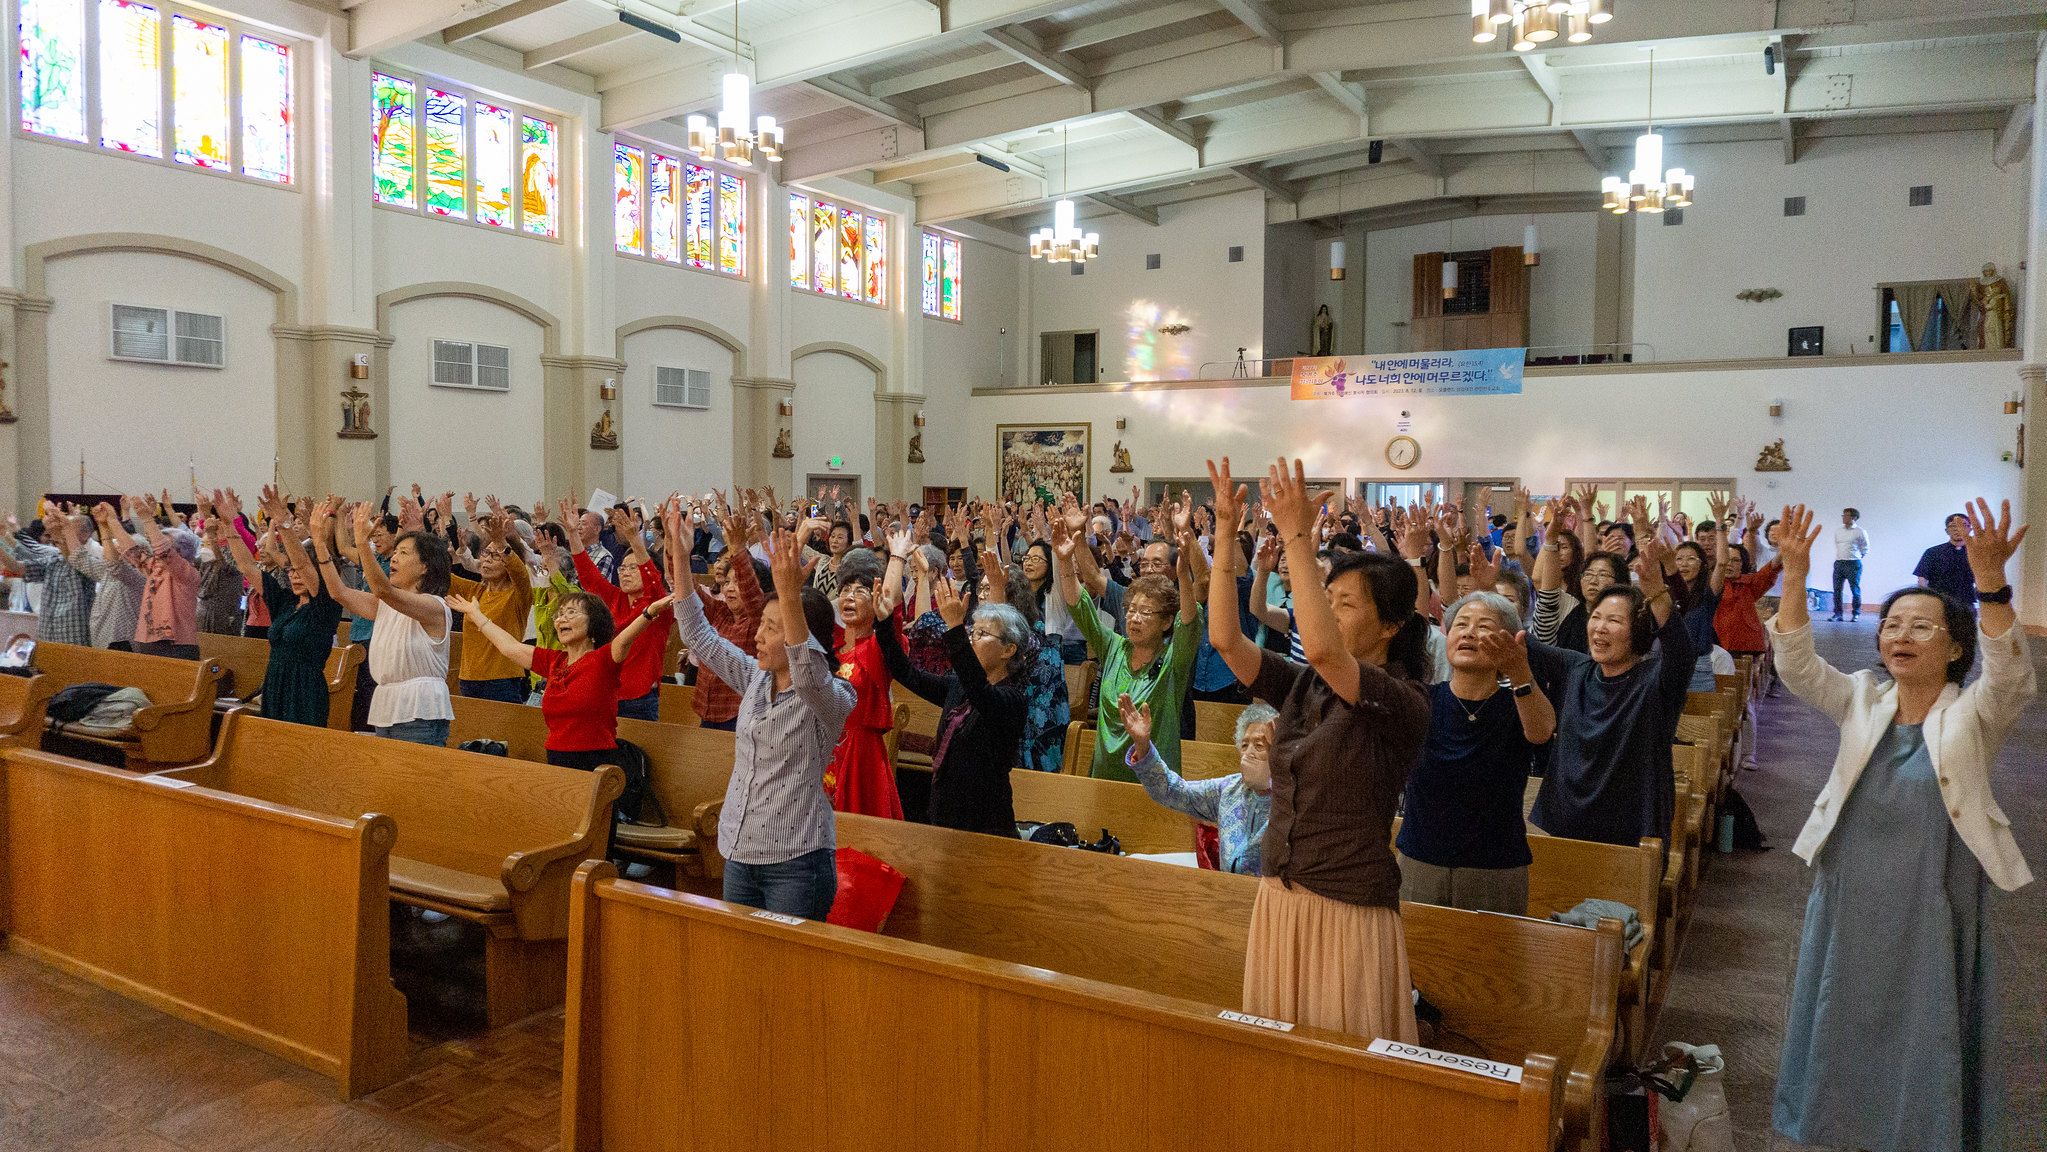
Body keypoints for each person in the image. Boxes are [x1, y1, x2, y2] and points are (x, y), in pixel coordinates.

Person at [1768, 500, 2032, 1152]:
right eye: (1890, 625)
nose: (1900, 636)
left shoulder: (1971, 715)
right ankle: (1839, 1122)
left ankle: (1922, 1129)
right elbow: (1797, 666)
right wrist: (1795, 577)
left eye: (1919, 626)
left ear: (1953, 646)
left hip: (1933, 899)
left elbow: (2011, 679)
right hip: (1851, 891)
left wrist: (1992, 587)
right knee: (1841, 1009)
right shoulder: (1861, 697)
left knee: (1926, 1018)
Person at [1204, 457, 1429, 1043]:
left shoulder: (1403, 699)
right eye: (1322, 599)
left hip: (1346, 908)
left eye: (1344, 602)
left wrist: (1300, 537)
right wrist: (1226, 532)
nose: (1324, 612)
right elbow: (1226, 639)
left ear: (1391, 627)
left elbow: (1329, 654)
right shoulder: (1304, 684)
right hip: (1279, 897)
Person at [664, 506, 854, 922]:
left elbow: (806, 671)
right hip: (739, 850)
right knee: (739, 967)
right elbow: (697, 633)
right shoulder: (754, 677)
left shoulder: (831, 696)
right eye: (761, 625)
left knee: (789, 975)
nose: (759, 636)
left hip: (796, 860)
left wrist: (788, 593)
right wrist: (680, 558)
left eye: (772, 627)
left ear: (808, 638)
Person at [1527, 497, 1695, 853]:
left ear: (1638, 629)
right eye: (1597, 618)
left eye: (1614, 620)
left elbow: (1681, 652)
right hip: (1564, 824)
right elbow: (1527, 639)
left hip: (1631, 835)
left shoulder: (1655, 680)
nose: (1600, 628)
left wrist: (1658, 594)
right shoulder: (1577, 667)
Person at [1395, 591, 1556, 915]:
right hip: (1419, 860)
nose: (1469, 632)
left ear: (1509, 642)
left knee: (1491, 964)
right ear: (1447, 634)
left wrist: (1520, 673)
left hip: (1495, 870)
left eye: (1484, 626)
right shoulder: (1420, 700)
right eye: (1461, 625)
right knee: (1416, 962)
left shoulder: (1519, 705)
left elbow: (1541, 731)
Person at [874, 537, 1029, 837]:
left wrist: (956, 630)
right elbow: (907, 674)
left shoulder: (1011, 700)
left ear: (1009, 650)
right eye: (973, 632)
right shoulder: (959, 687)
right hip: (944, 813)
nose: (972, 639)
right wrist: (882, 625)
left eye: (981, 634)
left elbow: (981, 693)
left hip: (985, 825)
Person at [446, 581, 674, 771]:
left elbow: (625, 638)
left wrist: (649, 612)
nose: (561, 619)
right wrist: (476, 615)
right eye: (560, 614)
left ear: (593, 622)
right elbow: (510, 647)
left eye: (571, 613)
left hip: (595, 761)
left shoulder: (604, 659)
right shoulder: (554, 661)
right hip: (555, 756)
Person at [1053, 498, 1201, 783]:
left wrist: (1183, 573)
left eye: (1145, 612)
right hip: (1104, 779)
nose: (1134, 618)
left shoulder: (1173, 659)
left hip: (1155, 785)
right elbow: (1080, 607)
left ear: (1166, 621)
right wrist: (1063, 562)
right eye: (1131, 610)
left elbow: (1191, 622)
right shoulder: (1114, 648)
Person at [313, 502, 455, 746]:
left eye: (404, 553)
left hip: (420, 710)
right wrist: (319, 545)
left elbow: (382, 589)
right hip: (387, 704)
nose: (394, 559)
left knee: (414, 782)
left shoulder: (435, 606)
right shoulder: (387, 604)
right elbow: (338, 592)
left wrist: (361, 544)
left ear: (425, 567)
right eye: (395, 552)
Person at [209, 488, 343, 728]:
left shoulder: (326, 605)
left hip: (304, 690)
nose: (294, 575)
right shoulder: (286, 602)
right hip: (274, 684)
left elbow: (302, 562)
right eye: (289, 570)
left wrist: (282, 523)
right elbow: (247, 566)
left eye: (299, 571)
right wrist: (230, 524)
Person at [1121, 694, 1276, 877]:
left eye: (1258, 746)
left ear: (1280, 752)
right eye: (1244, 745)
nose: (1247, 754)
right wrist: (1142, 745)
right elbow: (1173, 791)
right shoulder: (1228, 789)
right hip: (1225, 893)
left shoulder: (1296, 798)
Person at [558, 496, 670, 721]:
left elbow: (652, 576)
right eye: (623, 568)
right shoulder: (614, 598)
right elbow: (588, 575)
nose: (625, 572)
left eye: (632, 568)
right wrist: (572, 535)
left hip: (640, 699)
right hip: (605, 691)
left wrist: (632, 538)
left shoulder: (658, 603)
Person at [821, 548, 904, 819]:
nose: (849, 597)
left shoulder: (879, 647)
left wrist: (897, 559)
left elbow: (893, 613)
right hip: (823, 748)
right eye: (845, 589)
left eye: (860, 591)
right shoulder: (830, 643)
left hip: (861, 757)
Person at [686, 493, 768, 732]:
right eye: (727, 582)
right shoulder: (719, 611)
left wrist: (737, 548)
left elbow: (752, 594)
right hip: (707, 709)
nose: (730, 588)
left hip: (741, 712)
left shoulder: (759, 618)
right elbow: (686, 591)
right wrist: (678, 554)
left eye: (737, 582)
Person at [447, 496, 533, 703]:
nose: (485, 560)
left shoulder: (519, 594)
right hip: (468, 679)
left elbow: (520, 574)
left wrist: (502, 542)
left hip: (502, 680)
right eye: (486, 553)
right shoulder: (476, 591)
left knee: (502, 736)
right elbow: (440, 574)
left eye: (495, 556)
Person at [1913, 512, 1978, 608]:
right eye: (1953, 526)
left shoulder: (1977, 553)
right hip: (1938, 603)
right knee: (1936, 624)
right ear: (1947, 531)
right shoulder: (1933, 552)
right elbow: (1922, 579)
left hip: (1966, 604)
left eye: (1963, 525)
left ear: (1970, 529)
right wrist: (1924, 602)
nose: (1957, 529)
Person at [1829, 507, 1869, 621]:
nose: (1844, 518)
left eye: (1846, 516)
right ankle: (1838, 614)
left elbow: (1865, 547)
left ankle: (1856, 613)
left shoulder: (1860, 531)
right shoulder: (1838, 531)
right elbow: (1838, 545)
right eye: (1843, 515)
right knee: (1837, 590)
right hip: (1839, 562)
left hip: (1853, 564)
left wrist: (1859, 556)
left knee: (1854, 590)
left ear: (1854, 518)